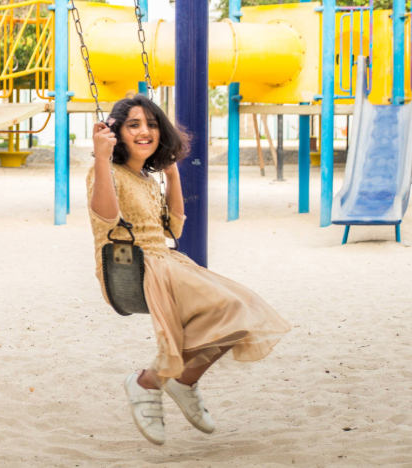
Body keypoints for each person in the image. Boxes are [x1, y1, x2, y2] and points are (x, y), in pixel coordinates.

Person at [87, 96, 291, 444]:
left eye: (151, 124)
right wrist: (103, 159)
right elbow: (105, 217)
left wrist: (171, 171)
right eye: (133, 124)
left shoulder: (148, 181)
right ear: (116, 132)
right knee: (232, 309)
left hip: (168, 261)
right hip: (136, 265)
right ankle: (149, 382)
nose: (144, 131)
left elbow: (175, 229)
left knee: (240, 315)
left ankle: (182, 381)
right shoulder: (107, 173)